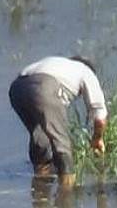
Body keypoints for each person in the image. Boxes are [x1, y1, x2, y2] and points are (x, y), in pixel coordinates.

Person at [8, 56, 108, 188]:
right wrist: (97, 138)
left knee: (40, 135)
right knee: (62, 143)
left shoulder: (58, 64)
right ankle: (66, 195)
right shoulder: (86, 72)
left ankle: (40, 186)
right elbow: (100, 115)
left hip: (17, 88)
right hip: (44, 87)